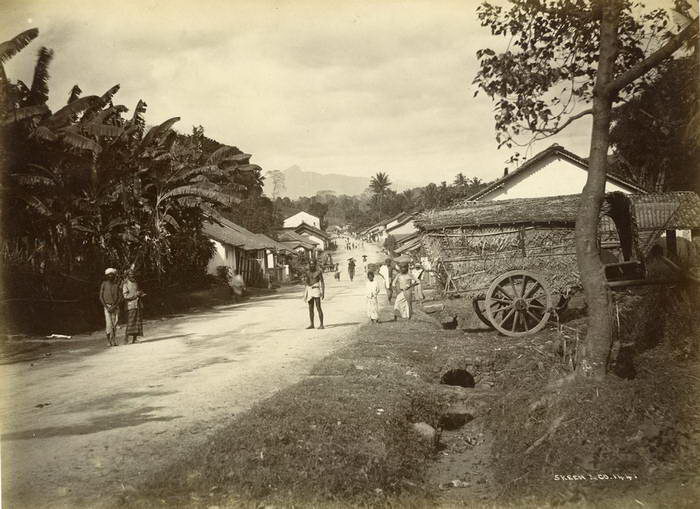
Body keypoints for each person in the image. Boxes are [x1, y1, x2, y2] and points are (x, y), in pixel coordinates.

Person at [99, 268, 122, 346]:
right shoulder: (104, 284)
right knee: (109, 325)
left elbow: (120, 297)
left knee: (114, 325)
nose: (111, 276)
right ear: (107, 276)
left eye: (112, 274)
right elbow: (101, 297)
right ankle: (108, 341)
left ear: (114, 276)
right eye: (109, 275)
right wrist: (107, 307)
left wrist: (114, 306)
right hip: (107, 307)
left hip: (115, 307)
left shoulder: (116, 285)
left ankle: (114, 340)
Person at [122, 269, 145, 344]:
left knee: (137, 322)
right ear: (127, 275)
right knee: (130, 322)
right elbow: (125, 296)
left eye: (133, 274)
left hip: (137, 304)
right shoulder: (125, 283)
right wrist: (135, 295)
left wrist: (140, 293)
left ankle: (134, 339)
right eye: (131, 274)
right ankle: (126, 339)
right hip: (130, 305)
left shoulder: (135, 282)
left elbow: (136, 292)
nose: (132, 275)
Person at [303, 261, 325, 329]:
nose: (311, 265)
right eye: (310, 264)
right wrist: (305, 293)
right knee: (310, 308)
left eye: (313, 264)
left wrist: (323, 292)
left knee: (318, 307)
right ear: (309, 265)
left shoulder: (318, 272)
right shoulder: (307, 272)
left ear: (315, 265)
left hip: (316, 289)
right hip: (309, 290)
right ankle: (312, 324)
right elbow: (306, 283)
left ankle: (321, 324)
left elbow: (322, 282)